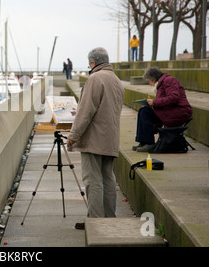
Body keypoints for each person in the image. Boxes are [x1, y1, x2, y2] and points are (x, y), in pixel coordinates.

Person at [67, 47, 124, 229]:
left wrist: (73, 135)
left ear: (93, 62)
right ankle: (109, 219)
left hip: (94, 139)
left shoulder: (95, 78)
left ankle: (96, 221)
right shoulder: (116, 80)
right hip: (111, 138)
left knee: (93, 180)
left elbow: (85, 112)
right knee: (108, 178)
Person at [133, 67, 192, 152]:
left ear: (153, 78)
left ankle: (148, 143)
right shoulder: (163, 82)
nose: (149, 84)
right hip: (171, 110)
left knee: (145, 112)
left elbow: (174, 98)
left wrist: (154, 102)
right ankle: (143, 141)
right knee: (144, 110)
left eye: (149, 81)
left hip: (180, 111)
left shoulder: (169, 81)